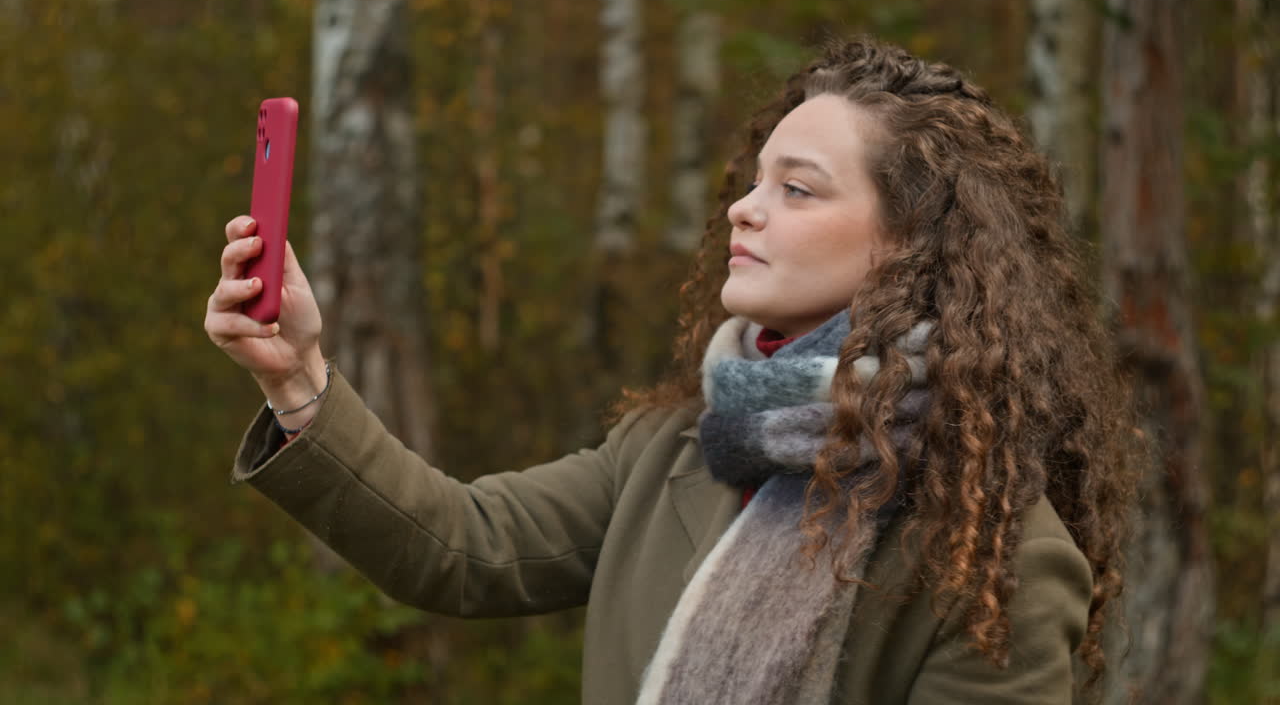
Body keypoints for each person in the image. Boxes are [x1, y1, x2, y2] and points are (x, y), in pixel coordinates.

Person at [205, 35, 1141, 704]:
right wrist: (299, 377)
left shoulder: (996, 554)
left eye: (796, 189)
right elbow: (463, 547)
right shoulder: (674, 449)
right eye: (752, 178)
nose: (742, 208)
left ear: (911, 246)